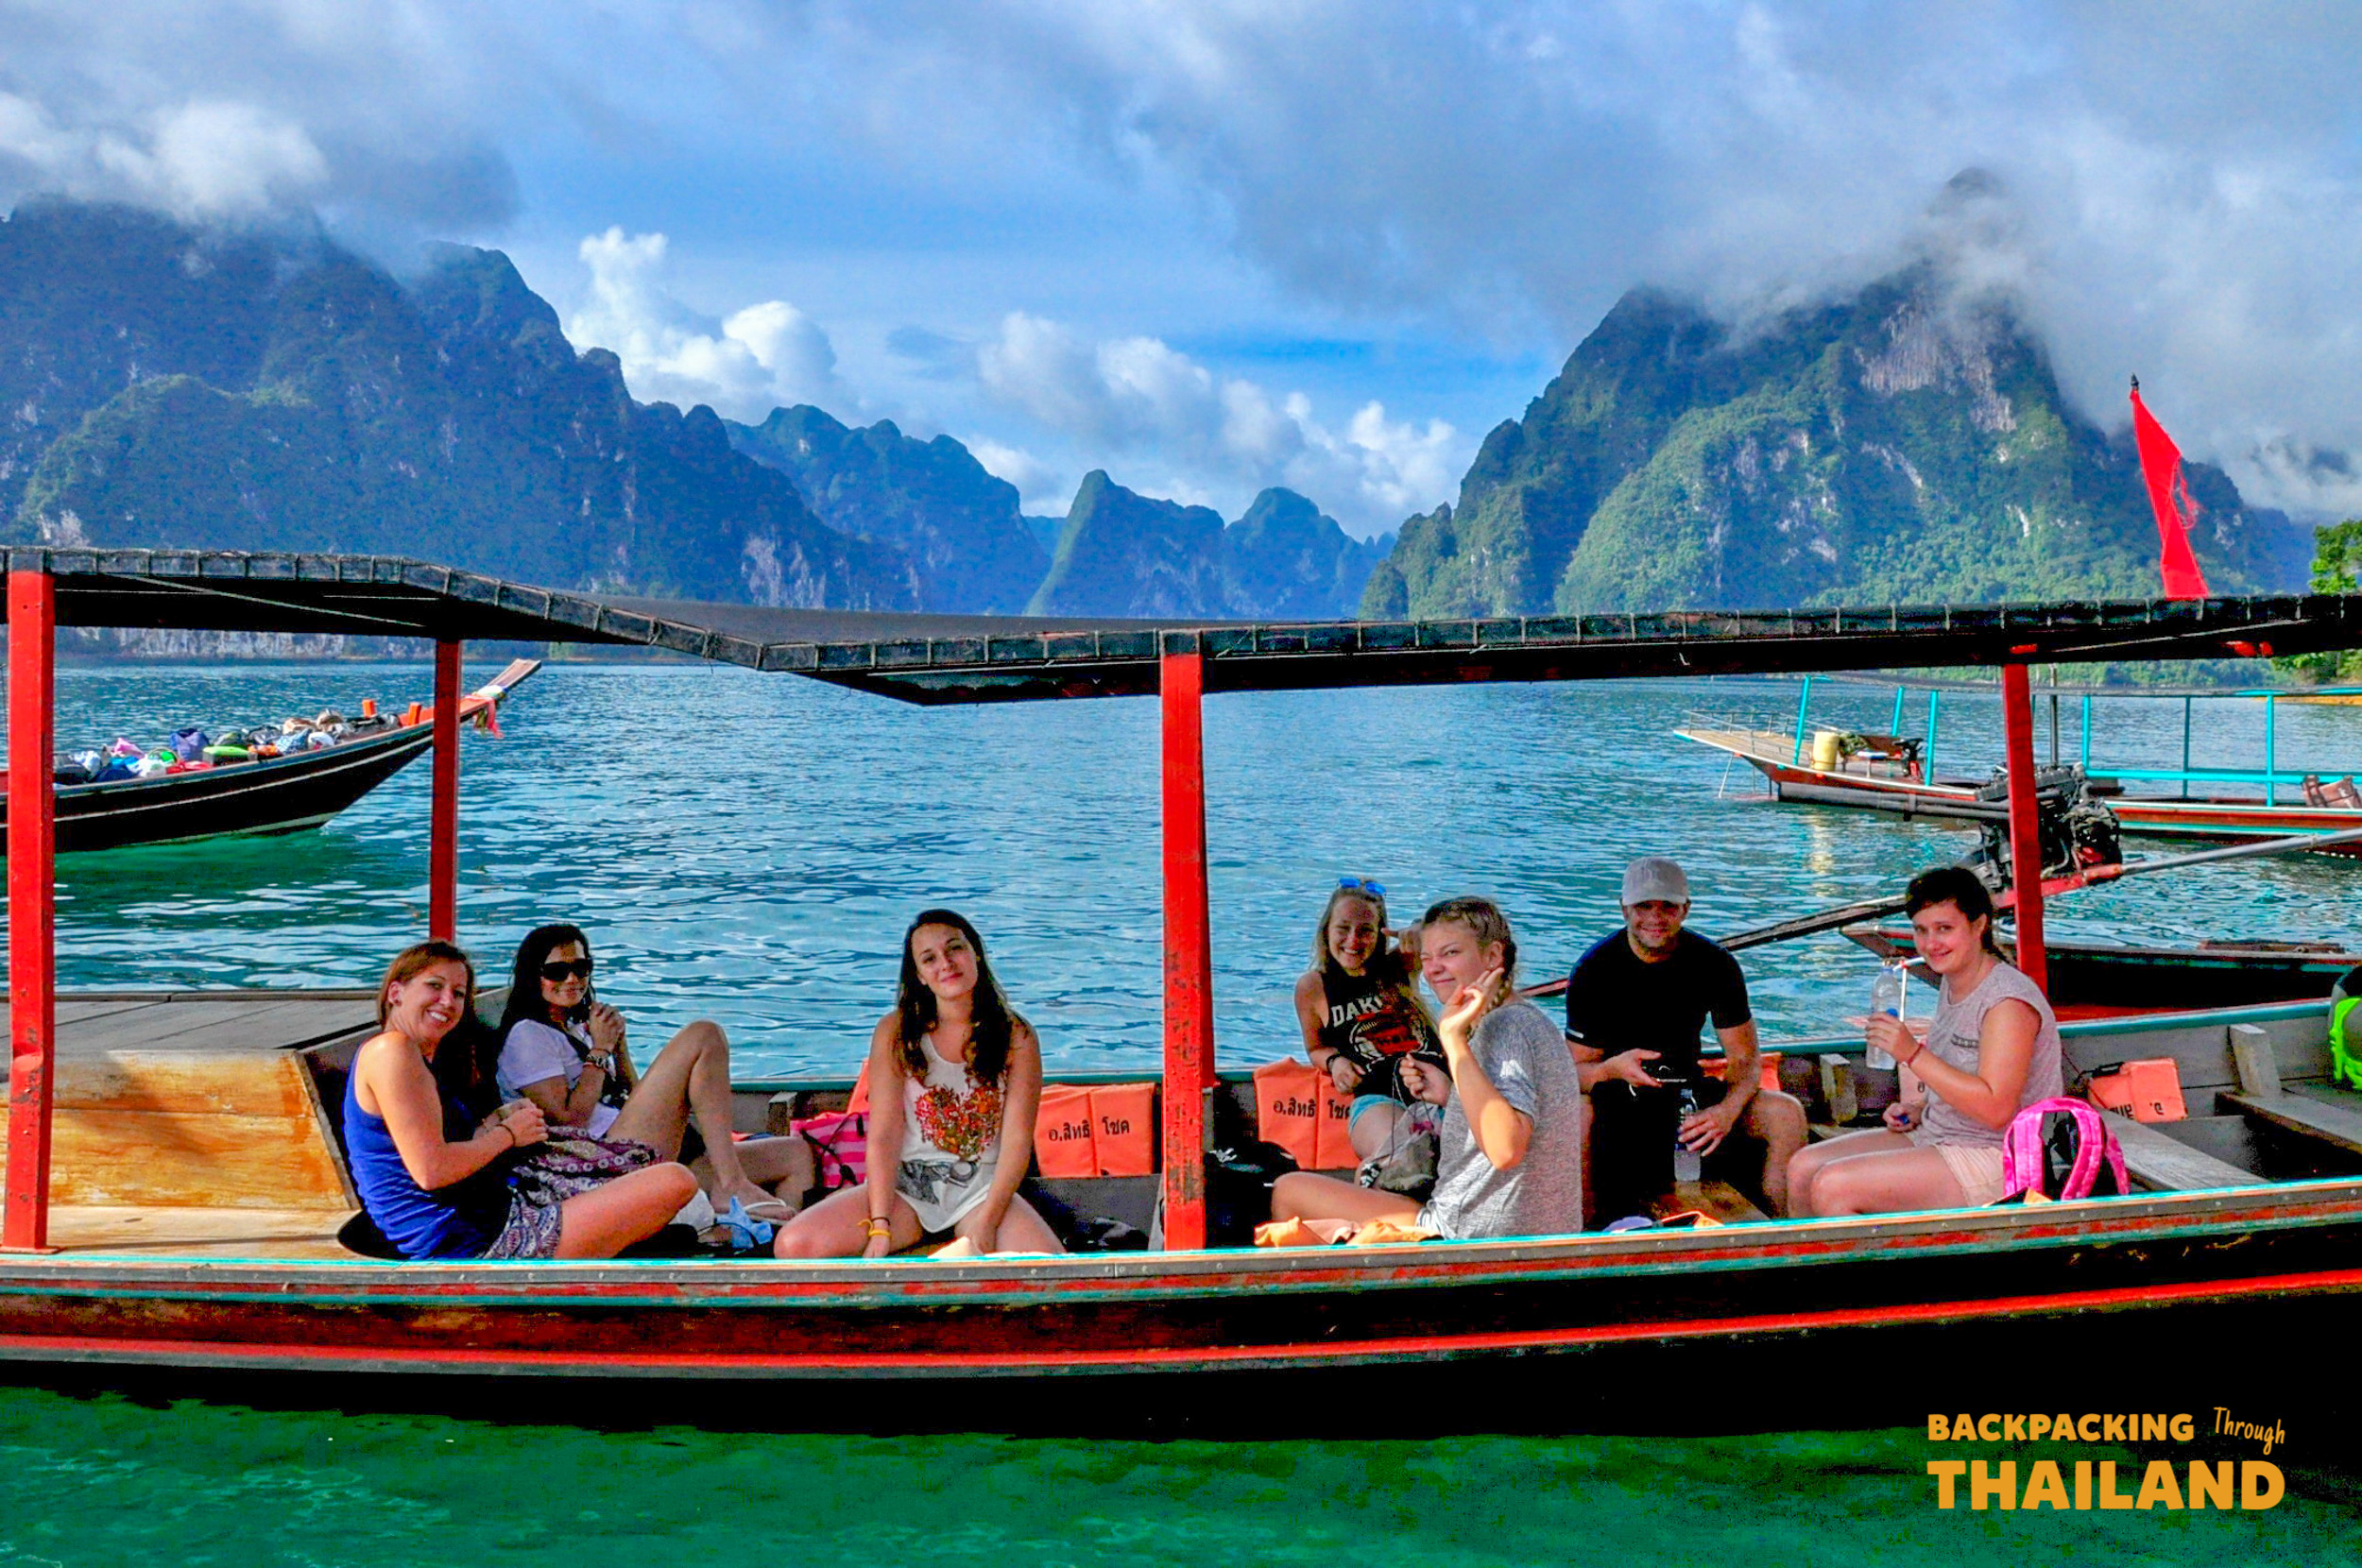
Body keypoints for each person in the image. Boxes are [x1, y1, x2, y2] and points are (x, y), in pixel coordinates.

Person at [346, 940, 693, 1259]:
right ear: (395, 992)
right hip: (470, 1242)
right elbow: (431, 1171)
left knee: (639, 1172)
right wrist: (509, 1134)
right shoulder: (392, 1051)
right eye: (434, 986)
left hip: (493, 1209)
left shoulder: (417, 1059)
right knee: (673, 1182)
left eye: (458, 993)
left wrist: (492, 1124)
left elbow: (432, 1150)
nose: (448, 1002)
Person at [1269, 897, 1585, 1240]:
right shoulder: (1529, 1021)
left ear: (1493, 957)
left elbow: (1506, 1148)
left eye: (1450, 953)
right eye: (1426, 958)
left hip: (1470, 1230)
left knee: (1289, 1191)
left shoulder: (1500, 1029)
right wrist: (1450, 1097)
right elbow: (1505, 1115)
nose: (1433, 969)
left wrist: (1452, 1038)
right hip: (1539, 1227)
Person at [772, 910, 1066, 1259]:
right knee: (794, 1245)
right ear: (920, 976)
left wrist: (988, 1222)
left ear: (976, 953)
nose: (946, 963)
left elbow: (1017, 1141)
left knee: (1047, 1265)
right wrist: (880, 1226)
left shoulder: (1016, 1035)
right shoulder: (895, 1032)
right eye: (929, 959)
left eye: (954, 948)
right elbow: (883, 1135)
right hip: (906, 1189)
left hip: (982, 1190)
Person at [1788, 865, 2064, 1217]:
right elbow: (1964, 1081)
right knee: (1802, 1168)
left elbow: (1996, 1110)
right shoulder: (1955, 979)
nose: (1930, 944)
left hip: (1999, 1156)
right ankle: (1807, 1271)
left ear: (1979, 925)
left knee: (1835, 1185)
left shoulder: (2007, 1003)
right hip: (1939, 1133)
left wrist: (1913, 1054)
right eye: (1921, 930)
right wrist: (1921, 1110)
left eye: (1944, 929)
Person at [494, 924, 812, 1224]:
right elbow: (569, 1120)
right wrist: (600, 1051)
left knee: (794, 1155)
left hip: (637, 1144)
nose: (573, 978)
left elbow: (632, 1092)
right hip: (601, 1162)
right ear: (532, 976)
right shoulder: (528, 1035)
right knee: (704, 1035)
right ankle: (731, 1183)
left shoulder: (578, 1026)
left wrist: (618, 1048)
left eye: (582, 967)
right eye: (557, 972)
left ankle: (772, 1246)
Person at [1566, 856, 1807, 1221]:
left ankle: (1784, 1231)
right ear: (1624, 909)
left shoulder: (1715, 963)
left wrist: (1726, 1111)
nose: (1655, 918)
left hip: (1688, 1098)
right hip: (1617, 1101)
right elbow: (1572, 1074)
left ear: (1685, 910)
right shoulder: (1594, 970)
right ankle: (1584, 1235)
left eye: (1667, 907)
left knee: (1786, 1113)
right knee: (1577, 1113)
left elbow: (1744, 1058)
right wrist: (1612, 1070)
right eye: (1643, 906)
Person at [1292, 878, 1445, 1181]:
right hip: (1378, 1096)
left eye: (1365, 931)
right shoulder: (1313, 986)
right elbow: (1315, 1048)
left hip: (1441, 1088)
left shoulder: (1397, 968)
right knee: (1406, 1154)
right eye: (1343, 928)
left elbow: (1434, 936)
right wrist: (1335, 1063)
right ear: (1327, 930)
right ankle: (1375, 1186)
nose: (1352, 940)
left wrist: (1419, 928)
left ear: (1379, 935)